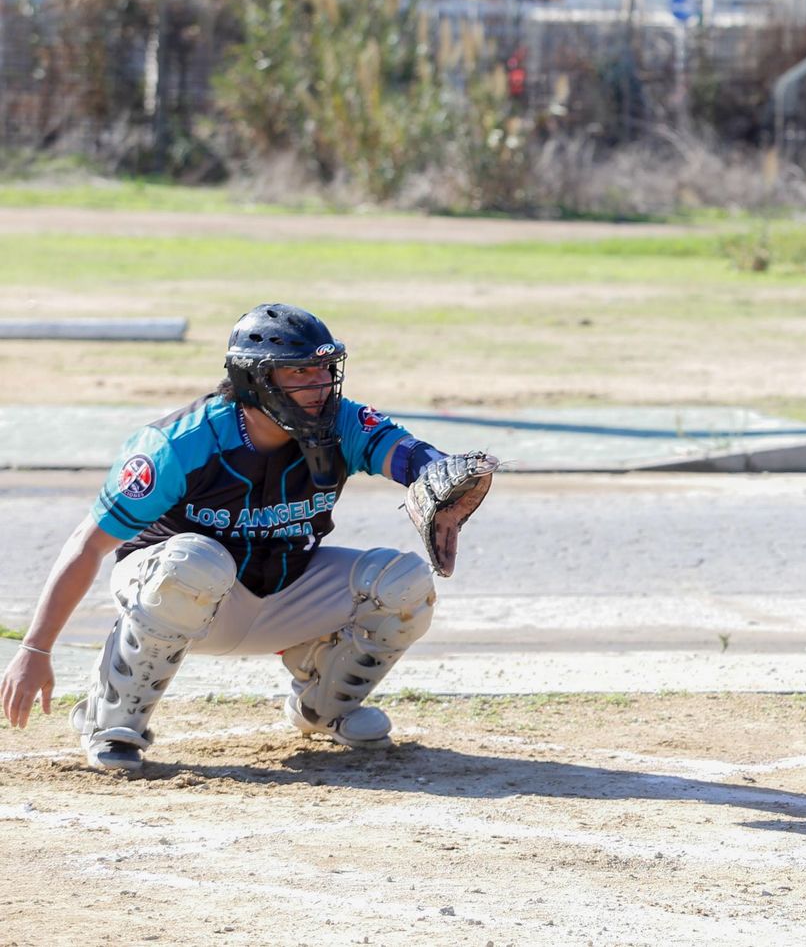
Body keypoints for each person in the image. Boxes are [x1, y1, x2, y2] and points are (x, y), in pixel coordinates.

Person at [0, 303, 497, 774]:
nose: (319, 384)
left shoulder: (342, 420)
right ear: (254, 380)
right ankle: (111, 722)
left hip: (285, 587)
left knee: (404, 581)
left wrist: (443, 477)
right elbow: (88, 545)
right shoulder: (179, 443)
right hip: (181, 595)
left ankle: (323, 705)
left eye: (325, 369)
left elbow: (406, 455)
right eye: (298, 371)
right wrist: (35, 650)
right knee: (198, 561)